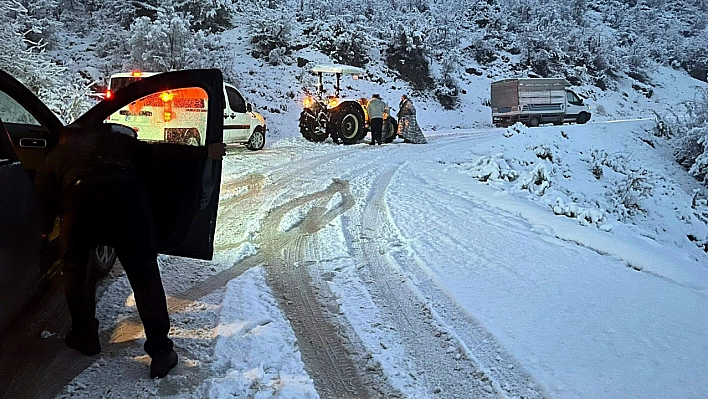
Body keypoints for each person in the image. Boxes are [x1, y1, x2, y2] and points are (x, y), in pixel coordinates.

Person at [34, 124, 226, 379]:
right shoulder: (121, 145)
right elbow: (163, 154)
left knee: (76, 271)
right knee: (144, 276)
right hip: (129, 208)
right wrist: (205, 152)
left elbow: (42, 194)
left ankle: (85, 335)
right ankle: (160, 352)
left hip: (81, 209)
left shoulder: (60, 153)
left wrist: (45, 229)